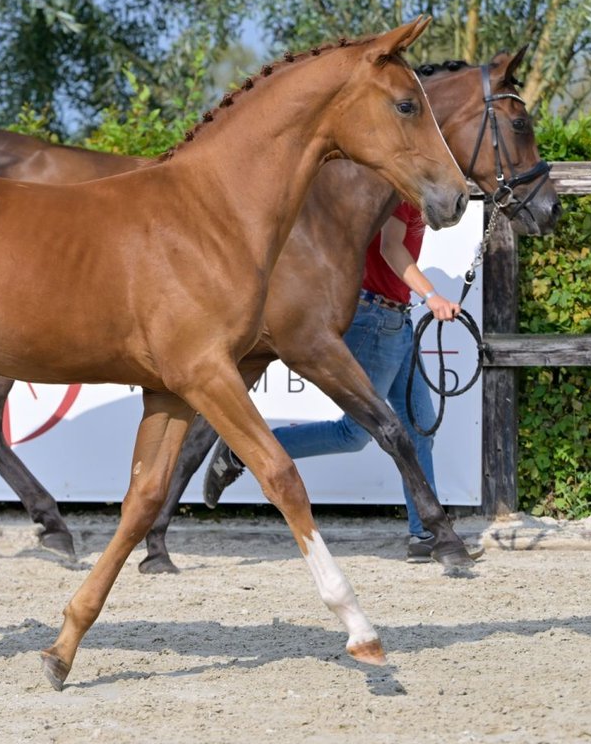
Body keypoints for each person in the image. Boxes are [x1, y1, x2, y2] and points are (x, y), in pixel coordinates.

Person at [201, 199, 484, 563]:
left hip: (396, 320)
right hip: (376, 320)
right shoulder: (399, 194)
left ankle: (425, 535)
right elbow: (390, 246)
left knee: (420, 427)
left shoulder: (418, 194)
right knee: (354, 434)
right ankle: (243, 450)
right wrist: (431, 296)